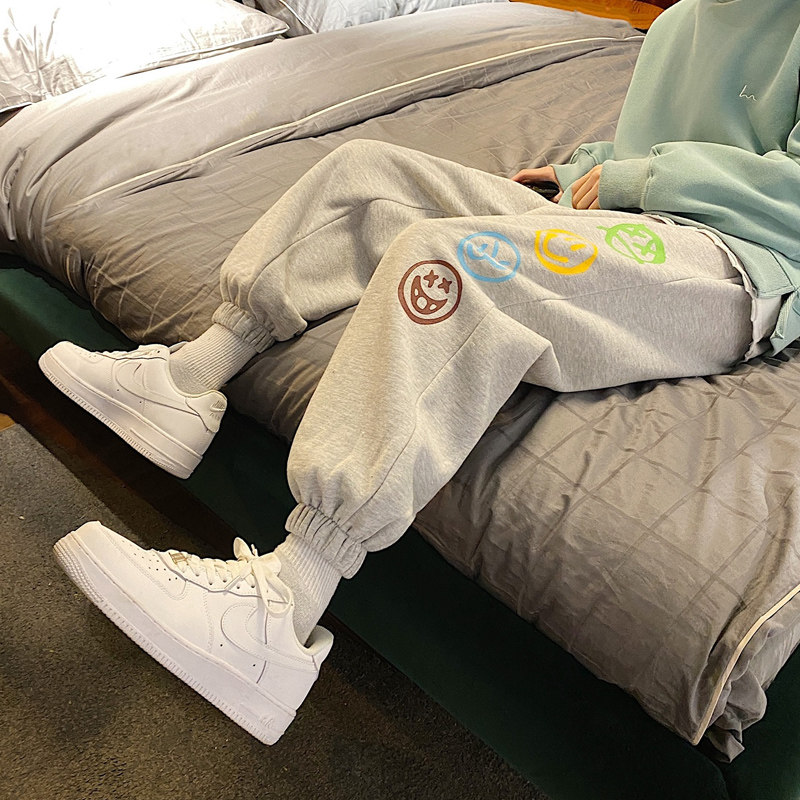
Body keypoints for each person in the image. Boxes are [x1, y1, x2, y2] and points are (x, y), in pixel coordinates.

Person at [41, 0, 800, 746]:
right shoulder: (679, 20)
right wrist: (583, 171)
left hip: (742, 263)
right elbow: (656, 150)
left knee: (453, 262)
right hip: (637, 219)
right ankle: (191, 376)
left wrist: (646, 181)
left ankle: (281, 607)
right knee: (368, 177)